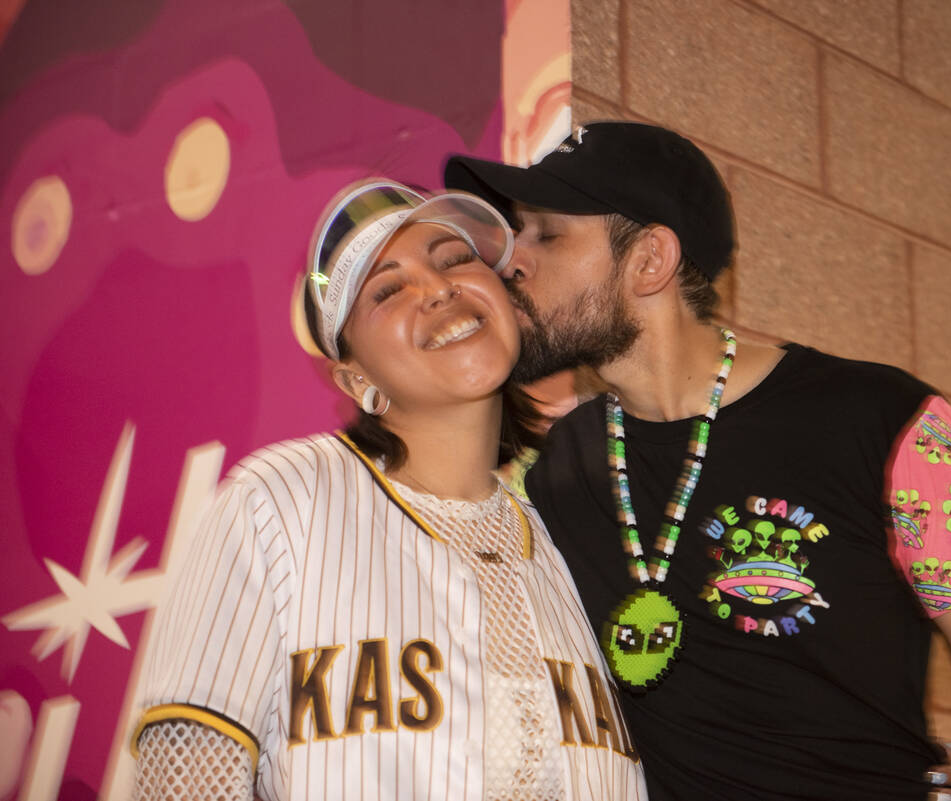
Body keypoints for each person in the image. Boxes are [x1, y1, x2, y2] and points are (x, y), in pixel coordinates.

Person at [444, 122, 951, 801]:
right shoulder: (553, 473)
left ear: (649, 261)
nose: (512, 261)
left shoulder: (890, 422)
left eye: (547, 233)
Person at [130, 180, 648, 801]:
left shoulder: (567, 540)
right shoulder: (278, 501)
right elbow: (183, 773)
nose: (436, 288)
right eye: (387, 290)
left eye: (454, 258)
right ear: (355, 378)